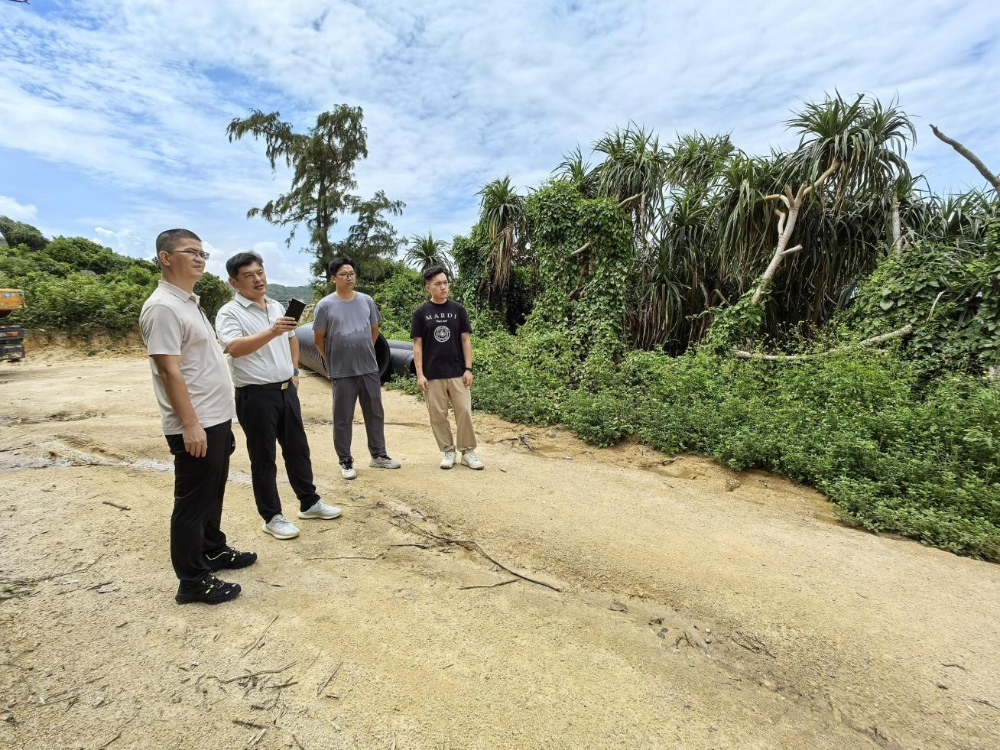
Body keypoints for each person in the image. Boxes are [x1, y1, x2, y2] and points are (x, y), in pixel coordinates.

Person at [139, 229, 256, 605]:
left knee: (211, 493)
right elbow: (168, 370)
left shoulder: (189, 302)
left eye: (203, 253)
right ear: (165, 257)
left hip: (214, 418)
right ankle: (191, 580)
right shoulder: (162, 307)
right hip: (195, 422)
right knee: (192, 502)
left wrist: (223, 420)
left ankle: (212, 549)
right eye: (190, 252)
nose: (199, 258)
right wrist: (190, 424)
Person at [215, 252, 341, 541]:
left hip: (286, 391)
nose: (258, 279)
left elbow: (292, 339)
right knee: (263, 458)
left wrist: (294, 372)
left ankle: (309, 502)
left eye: (260, 272)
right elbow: (234, 348)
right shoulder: (229, 313)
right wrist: (272, 331)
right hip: (255, 395)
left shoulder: (275, 306)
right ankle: (272, 517)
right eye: (248, 276)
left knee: (298, 450)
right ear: (234, 282)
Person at [313, 256, 401, 479]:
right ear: (333, 278)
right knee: (343, 417)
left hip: (369, 368)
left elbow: (374, 330)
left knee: (375, 413)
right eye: (344, 274)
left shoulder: (366, 301)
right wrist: (333, 359)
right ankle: (345, 460)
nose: (349, 278)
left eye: (351, 274)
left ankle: (378, 455)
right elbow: (318, 339)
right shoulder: (325, 305)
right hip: (342, 370)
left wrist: (364, 351)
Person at [411, 266, 484, 470]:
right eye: (438, 284)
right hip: (432, 374)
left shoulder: (458, 310)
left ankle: (467, 452)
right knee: (438, 415)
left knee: (464, 411)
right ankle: (448, 451)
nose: (443, 287)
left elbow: (466, 340)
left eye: (445, 282)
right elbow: (417, 345)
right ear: (428, 287)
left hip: (457, 372)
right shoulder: (421, 313)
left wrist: (468, 368)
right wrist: (420, 374)